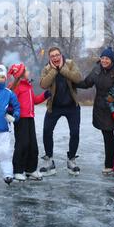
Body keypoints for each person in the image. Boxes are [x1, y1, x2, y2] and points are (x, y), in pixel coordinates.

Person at [76, 46, 114, 175]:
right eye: (102, 58)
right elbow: (87, 83)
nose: (104, 60)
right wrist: (73, 82)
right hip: (100, 107)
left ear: (112, 60)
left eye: (107, 58)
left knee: (108, 135)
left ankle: (109, 164)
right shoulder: (96, 70)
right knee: (107, 135)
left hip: (113, 106)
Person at [39, 47, 82, 176]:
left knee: (74, 132)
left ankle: (71, 159)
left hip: (71, 106)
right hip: (54, 106)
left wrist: (62, 69)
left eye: (57, 55)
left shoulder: (70, 64)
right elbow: (43, 84)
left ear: (61, 55)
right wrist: (54, 70)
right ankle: (49, 160)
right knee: (47, 131)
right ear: (49, 58)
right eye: (52, 56)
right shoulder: (47, 68)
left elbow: (78, 78)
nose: (55, 58)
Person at [8, 63, 50, 181]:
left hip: (30, 118)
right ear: (21, 74)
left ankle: (30, 169)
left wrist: (46, 95)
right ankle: (17, 170)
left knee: (33, 145)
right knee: (23, 144)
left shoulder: (28, 86)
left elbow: (35, 100)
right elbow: (10, 102)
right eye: (26, 70)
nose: (29, 72)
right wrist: (11, 113)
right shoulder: (16, 87)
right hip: (20, 119)